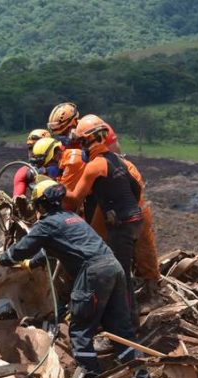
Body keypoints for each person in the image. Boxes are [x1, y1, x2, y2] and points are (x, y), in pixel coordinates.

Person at [0, 179, 136, 378]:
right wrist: (31, 264)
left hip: (93, 273)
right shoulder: (71, 218)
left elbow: (21, 250)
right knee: (120, 329)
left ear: (41, 205)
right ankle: (139, 375)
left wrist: (1, 259)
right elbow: (55, 250)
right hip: (113, 267)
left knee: (80, 329)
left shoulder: (47, 224)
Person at [64, 115, 144, 320]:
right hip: (133, 221)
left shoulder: (94, 166)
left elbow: (73, 199)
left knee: (118, 275)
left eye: (81, 142)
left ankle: (126, 324)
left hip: (121, 226)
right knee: (120, 271)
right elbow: (135, 189)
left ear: (87, 141)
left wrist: (50, 185)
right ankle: (123, 319)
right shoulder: (119, 160)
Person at [12, 128, 51, 198]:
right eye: (30, 148)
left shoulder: (61, 164)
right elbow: (17, 199)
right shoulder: (24, 172)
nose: (32, 152)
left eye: (37, 148)